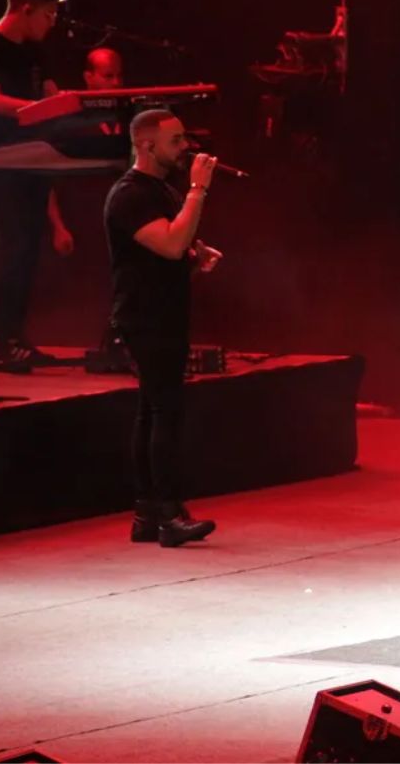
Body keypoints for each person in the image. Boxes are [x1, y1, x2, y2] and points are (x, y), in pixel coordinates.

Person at [104, 109, 222, 547]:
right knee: (165, 412)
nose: (185, 147)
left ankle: (147, 514)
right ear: (147, 145)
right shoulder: (130, 194)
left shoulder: (157, 191)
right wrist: (198, 188)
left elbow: (173, 245)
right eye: (175, 141)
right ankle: (168, 514)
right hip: (145, 316)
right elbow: (170, 244)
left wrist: (197, 254)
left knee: (153, 410)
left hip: (163, 312)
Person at [0, 0, 63, 367]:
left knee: (31, 245)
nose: (52, 23)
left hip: (33, 154)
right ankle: (1, 339)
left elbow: (55, 96)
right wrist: (37, 108)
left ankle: (16, 335)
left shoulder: (37, 51)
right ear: (26, 8)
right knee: (17, 242)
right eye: (48, 14)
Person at [45, 47, 128, 260]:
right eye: (108, 76)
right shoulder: (69, 121)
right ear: (88, 77)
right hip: (81, 224)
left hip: (120, 226)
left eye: (119, 76)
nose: (116, 83)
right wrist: (58, 226)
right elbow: (47, 181)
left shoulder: (129, 116)